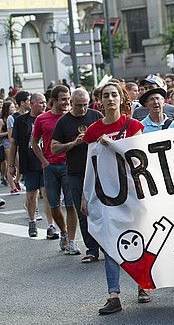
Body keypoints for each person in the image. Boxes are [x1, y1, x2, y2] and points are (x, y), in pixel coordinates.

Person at [83, 82, 147, 314]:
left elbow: (139, 158)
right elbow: (90, 167)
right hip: (106, 196)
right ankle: (114, 295)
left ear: (121, 99)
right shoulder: (92, 131)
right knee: (110, 243)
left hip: (131, 193)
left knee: (138, 239)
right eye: (106, 96)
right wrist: (85, 195)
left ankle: (143, 284)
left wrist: (115, 145)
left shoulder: (133, 125)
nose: (110, 99)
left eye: (114, 95)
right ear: (99, 101)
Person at [51, 89, 103, 262]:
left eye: (85, 105)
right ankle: (92, 249)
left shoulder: (95, 115)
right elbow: (54, 147)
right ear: (71, 104)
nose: (82, 109)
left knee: (104, 209)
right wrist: (73, 143)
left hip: (98, 170)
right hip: (75, 172)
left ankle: (108, 247)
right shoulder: (64, 122)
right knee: (83, 211)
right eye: (79, 105)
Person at [31, 85, 77, 253]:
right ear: (54, 100)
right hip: (50, 167)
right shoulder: (42, 119)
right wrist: (43, 161)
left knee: (71, 205)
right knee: (54, 205)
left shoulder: (71, 117)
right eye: (63, 99)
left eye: (68, 98)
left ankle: (71, 241)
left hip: (68, 166)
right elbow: (34, 142)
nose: (67, 102)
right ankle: (64, 232)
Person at [8, 93, 53, 237]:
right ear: (32, 104)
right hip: (29, 162)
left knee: (47, 194)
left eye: (45, 102)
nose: (43, 105)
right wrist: (11, 165)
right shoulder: (21, 121)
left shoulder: (49, 118)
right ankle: (32, 221)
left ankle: (51, 225)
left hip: (46, 162)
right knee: (31, 194)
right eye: (40, 103)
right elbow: (14, 143)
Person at [6, 90, 30, 194]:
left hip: (28, 147)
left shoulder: (30, 115)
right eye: (28, 100)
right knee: (18, 165)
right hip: (17, 146)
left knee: (22, 167)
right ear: (22, 103)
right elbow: (11, 137)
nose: (30, 102)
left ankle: (17, 181)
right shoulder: (12, 118)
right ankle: (15, 182)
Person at [1, 100, 17, 197]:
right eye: (11, 107)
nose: (13, 109)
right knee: (10, 164)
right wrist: (8, 132)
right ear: (7, 109)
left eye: (14, 107)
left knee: (16, 164)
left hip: (14, 142)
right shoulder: (2, 120)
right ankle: (12, 187)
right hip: (7, 143)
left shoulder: (14, 118)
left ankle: (16, 183)